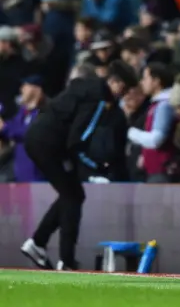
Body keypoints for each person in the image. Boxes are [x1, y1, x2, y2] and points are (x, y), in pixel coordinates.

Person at [20, 61, 138, 270]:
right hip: (49, 144)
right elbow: (78, 138)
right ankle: (64, 259)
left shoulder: (87, 87)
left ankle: (39, 243)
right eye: (125, 88)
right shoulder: (99, 100)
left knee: (72, 193)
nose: (125, 94)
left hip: (40, 138)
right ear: (116, 83)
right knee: (73, 195)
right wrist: (96, 166)